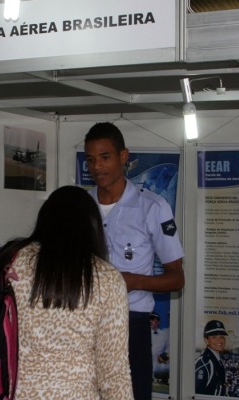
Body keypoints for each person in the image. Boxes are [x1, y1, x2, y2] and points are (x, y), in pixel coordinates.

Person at [0, 185, 133, 399]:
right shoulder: (107, 278)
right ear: (92, 226)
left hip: (11, 392)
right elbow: (113, 372)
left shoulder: (10, 262)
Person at [84, 121, 184, 400]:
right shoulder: (81, 206)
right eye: (91, 160)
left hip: (132, 323)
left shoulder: (152, 206)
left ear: (123, 156)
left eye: (105, 157)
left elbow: (177, 277)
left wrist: (131, 281)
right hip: (86, 323)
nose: (98, 167)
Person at [195, 320, 229, 396]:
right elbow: (197, 394)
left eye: (222, 337)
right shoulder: (204, 362)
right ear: (206, 340)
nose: (219, 340)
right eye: (214, 337)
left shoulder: (218, 361)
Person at [150, 312, 169, 385]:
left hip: (158, 365)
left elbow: (168, 348)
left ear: (158, 322)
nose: (150, 321)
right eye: (149, 319)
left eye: (152, 319)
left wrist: (163, 357)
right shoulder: (145, 333)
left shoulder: (164, 334)